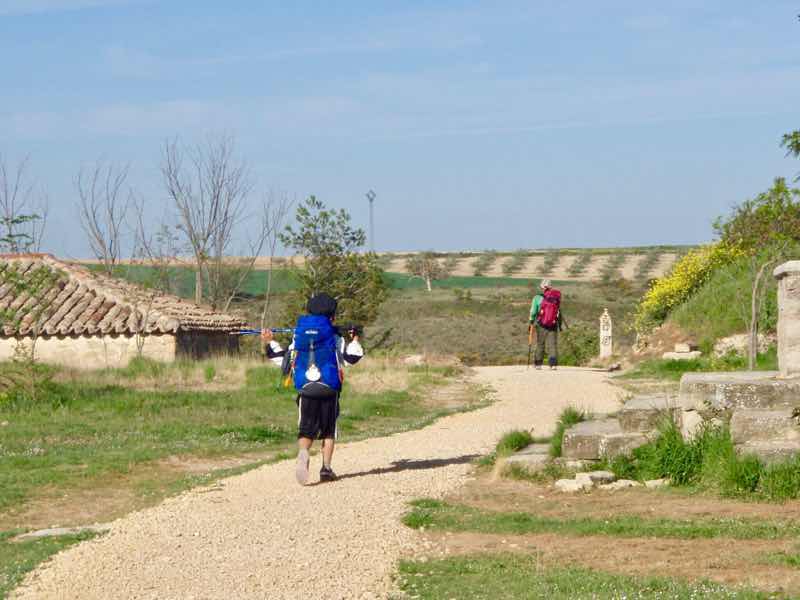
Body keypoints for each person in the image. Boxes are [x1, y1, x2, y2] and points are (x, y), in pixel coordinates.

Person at [261, 293, 364, 485]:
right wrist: (355, 339)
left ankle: (303, 452)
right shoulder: (335, 336)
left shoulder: (299, 335)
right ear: (332, 315)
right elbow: (351, 359)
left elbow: (282, 359)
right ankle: (326, 469)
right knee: (329, 430)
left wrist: (270, 342)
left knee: (306, 428)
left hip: (306, 388)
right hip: (329, 388)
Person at [529, 279, 565, 369]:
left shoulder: (537, 298)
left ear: (542, 288)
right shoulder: (555, 297)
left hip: (541, 323)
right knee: (552, 344)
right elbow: (558, 311)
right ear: (550, 287)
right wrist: (559, 324)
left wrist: (531, 321)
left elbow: (533, 312)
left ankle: (538, 364)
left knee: (540, 343)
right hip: (553, 323)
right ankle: (553, 364)